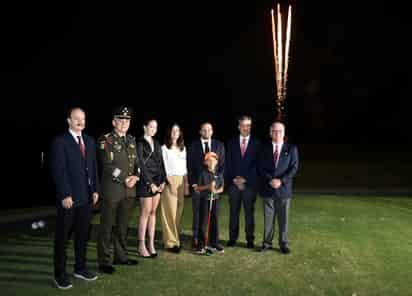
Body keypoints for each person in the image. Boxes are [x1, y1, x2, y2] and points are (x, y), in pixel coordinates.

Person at [49, 107, 99, 289]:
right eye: (76, 119)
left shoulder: (90, 141)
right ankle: (59, 274)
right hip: (69, 199)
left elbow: (93, 168)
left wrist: (95, 189)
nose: (80, 122)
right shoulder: (60, 142)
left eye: (83, 119)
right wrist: (65, 194)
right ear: (69, 120)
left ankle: (80, 268)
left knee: (82, 236)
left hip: (86, 198)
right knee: (62, 239)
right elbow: (58, 171)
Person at [97, 106, 139, 274]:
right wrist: (125, 179)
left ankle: (121, 256)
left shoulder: (131, 140)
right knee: (107, 226)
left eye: (127, 120)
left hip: (129, 192)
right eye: (121, 120)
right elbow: (107, 166)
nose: (124, 123)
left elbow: (136, 164)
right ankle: (104, 261)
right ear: (114, 122)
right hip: (112, 191)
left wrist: (136, 176)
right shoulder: (105, 140)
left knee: (122, 227)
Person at [258, 121, 299, 254]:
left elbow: (294, 168)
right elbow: (260, 167)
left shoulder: (291, 149)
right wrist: (271, 180)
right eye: (274, 131)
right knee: (268, 218)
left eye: (280, 131)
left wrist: (281, 181)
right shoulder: (264, 148)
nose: (277, 133)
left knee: (283, 219)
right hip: (268, 187)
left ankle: (283, 244)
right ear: (270, 133)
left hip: (284, 189)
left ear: (284, 133)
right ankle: (267, 243)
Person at [187, 122, 225, 252]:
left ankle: (214, 241)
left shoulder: (219, 145)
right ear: (200, 132)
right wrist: (193, 184)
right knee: (198, 215)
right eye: (204, 130)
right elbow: (190, 166)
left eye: (209, 129)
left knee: (214, 215)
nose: (206, 132)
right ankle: (197, 240)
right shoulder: (193, 145)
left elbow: (222, 166)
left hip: (214, 186)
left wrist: (219, 183)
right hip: (199, 186)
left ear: (212, 131)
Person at [225, 115, 261, 248]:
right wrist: (235, 179)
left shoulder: (257, 143)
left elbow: (257, 166)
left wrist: (245, 179)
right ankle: (232, 238)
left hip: (249, 185)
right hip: (234, 184)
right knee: (233, 212)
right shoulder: (231, 143)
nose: (246, 128)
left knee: (249, 213)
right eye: (244, 125)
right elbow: (228, 164)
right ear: (238, 127)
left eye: (249, 125)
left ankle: (250, 239)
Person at [136, 118, 166, 258]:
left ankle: (151, 244)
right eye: (151, 127)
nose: (153, 129)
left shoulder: (157, 143)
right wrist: (150, 183)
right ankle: (141, 245)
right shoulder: (140, 143)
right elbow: (141, 164)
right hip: (145, 182)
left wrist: (162, 181)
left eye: (155, 127)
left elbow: (161, 163)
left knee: (153, 212)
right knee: (145, 212)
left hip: (157, 181)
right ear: (145, 127)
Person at [160, 123, 189, 253]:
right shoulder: (164, 148)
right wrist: (169, 181)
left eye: (177, 130)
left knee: (178, 211)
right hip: (170, 180)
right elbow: (164, 167)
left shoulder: (183, 148)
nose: (175, 132)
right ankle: (170, 243)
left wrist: (187, 184)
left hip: (181, 181)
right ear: (169, 132)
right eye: (173, 130)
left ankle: (176, 238)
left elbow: (185, 168)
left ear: (180, 133)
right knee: (169, 212)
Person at [193, 151, 224, 255]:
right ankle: (201, 244)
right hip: (205, 200)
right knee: (203, 222)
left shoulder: (219, 174)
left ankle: (214, 243)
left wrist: (215, 190)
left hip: (215, 200)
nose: (211, 162)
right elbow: (198, 188)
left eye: (213, 160)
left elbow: (222, 188)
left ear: (216, 162)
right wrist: (208, 187)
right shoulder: (203, 174)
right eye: (209, 161)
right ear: (205, 162)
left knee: (214, 221)